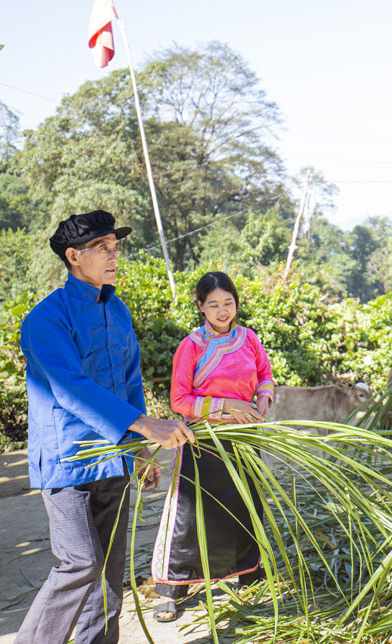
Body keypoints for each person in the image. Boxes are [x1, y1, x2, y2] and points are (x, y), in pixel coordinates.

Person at [16, 210, 196, 644]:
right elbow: (69, 388)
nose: (114, 256)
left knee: (110, 575)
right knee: (79, 564)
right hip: (68, 462)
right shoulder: (46, 319)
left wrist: (136, 449)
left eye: (116, 247)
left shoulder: (117, 311)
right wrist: (145, 424)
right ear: (74, 256)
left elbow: (129, 382)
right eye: (103, 248)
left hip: (114, 458)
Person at [151, 271, 274, 622]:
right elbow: (179, 399)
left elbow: (265, 375)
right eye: (214, 304)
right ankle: (172, 587)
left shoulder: (249, 338)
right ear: (201, 307)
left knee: (243, 507)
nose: (223, 311)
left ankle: (246, 574)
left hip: (245, 439)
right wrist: (229, 407)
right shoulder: (192, 346)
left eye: (229, 303)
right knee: (190, 516)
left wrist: (263, 398)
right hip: (203, 441)